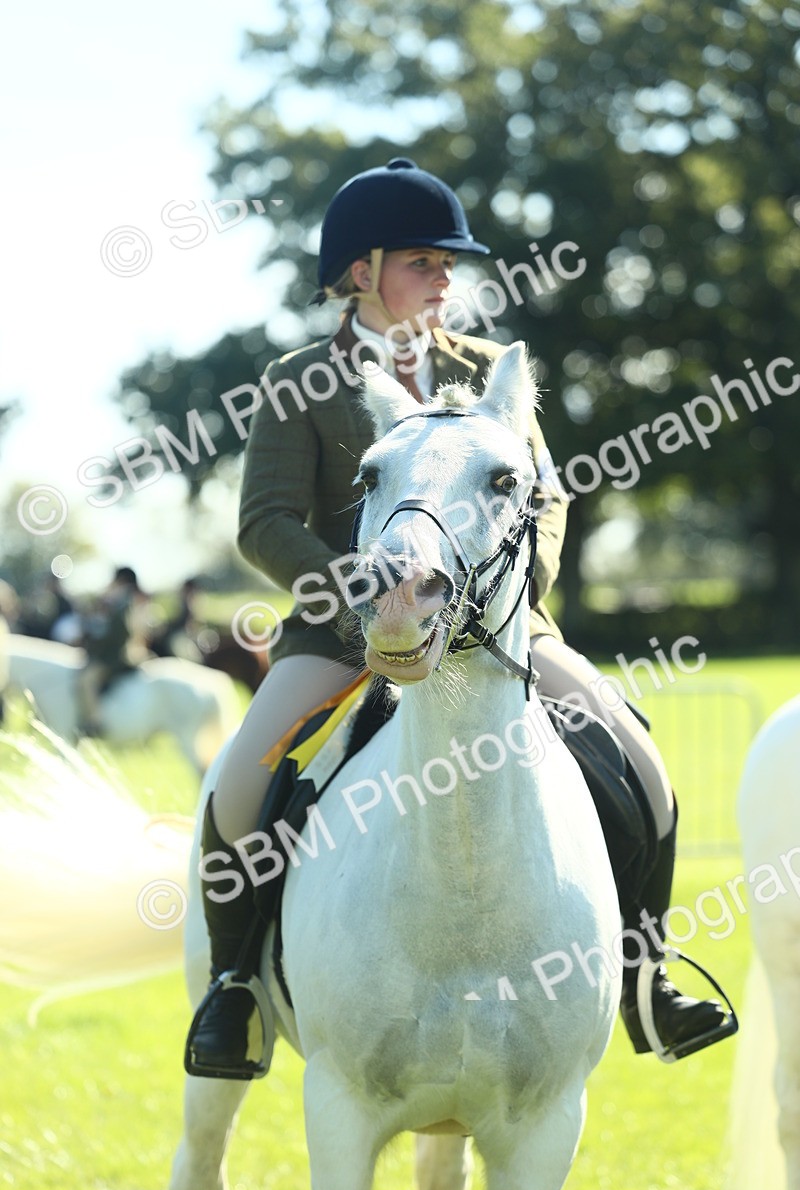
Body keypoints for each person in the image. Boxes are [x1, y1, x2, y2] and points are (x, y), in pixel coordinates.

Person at [186, 158, 726, 1078]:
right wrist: (362, 592)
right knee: (241, 787)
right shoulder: (297, 380)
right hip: (343, 634)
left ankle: (645, 976)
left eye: (449, 263)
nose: (446, 278)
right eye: (424, 261)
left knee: (641, 762)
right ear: (361, 271)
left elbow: (546, 497)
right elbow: (265, 521)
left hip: (498, 630)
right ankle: (236, 986)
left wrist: (519, 590)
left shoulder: (490, 372)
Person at [75, 566, 149, 736]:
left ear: (121, 581)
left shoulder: (124, 601)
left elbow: (118, 632)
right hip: (117, 652)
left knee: (86, 681)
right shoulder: (126, 600)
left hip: (115, 656)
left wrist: (96, 638)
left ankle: (95, 722)